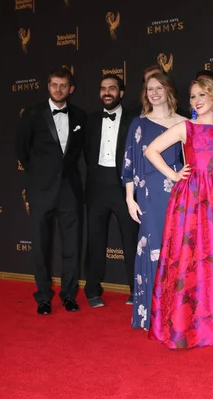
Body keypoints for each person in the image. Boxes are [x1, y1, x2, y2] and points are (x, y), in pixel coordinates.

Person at [147, 78, 213, 349]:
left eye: (202, 94)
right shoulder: (185, 127)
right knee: (190, 257)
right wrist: (174, 174)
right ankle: (187, 324)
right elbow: (151, 150)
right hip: (192, 199)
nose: (196, 100)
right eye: (192, 96)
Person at [16, 67, 87, 315]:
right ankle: (44, 296)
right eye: (54, 85)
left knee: (72, 246)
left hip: (70, 190)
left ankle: (69, 295)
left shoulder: (79, 115)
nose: (58, 89)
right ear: (48, 86)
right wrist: (38, 176)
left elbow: (80, 154)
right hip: (41, 190)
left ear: (71, 89)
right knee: (40, 246)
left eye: (63, 85)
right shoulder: (32, 114)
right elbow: (22, 151)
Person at [122, 72, 186, 330]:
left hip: (180, 193)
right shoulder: (138, 124)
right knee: (153, 250)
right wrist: (129, 198)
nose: (155, 92)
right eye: (150, 89)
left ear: (169, 90)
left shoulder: (184, 122)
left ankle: (178, 312)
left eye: (159, 87)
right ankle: (151, 313)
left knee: (179, 250)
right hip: (149, 195)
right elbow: (129, 164)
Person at [83, 74, 138, 308]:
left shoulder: (134, 119)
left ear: (121, 92)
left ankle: (136, 291)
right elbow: (85, 152)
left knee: (131, 240)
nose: (107, 92)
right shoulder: (91, 120)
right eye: (103, 88)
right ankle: (93, 291)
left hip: (123, 186)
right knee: (95, 240)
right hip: (96, 186)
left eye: (112, 88)